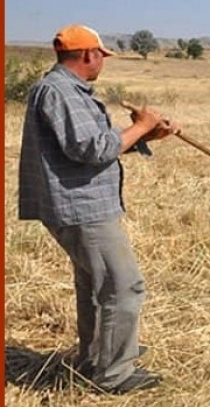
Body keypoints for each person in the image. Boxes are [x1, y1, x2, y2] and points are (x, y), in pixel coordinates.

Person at [18, 24, 180, 394]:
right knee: (124, 286)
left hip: (80, 205)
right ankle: (115, 374)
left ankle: (98, 357)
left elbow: (97, 145)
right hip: (81, 208)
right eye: (101, 56)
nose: (102, 63)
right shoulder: (59, 92)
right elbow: (91, 150)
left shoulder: (66, 91)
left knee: (95, 287)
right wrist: (140, 125)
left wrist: (147, 133)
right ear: (88, 54)